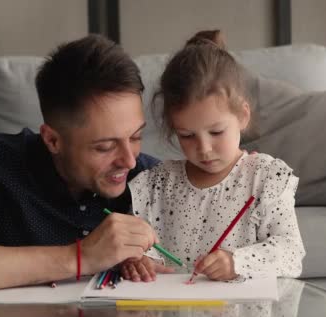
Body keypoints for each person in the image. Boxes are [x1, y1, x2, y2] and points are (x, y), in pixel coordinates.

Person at [0, 34, 169, 293]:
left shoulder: (149, 177)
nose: (129, 160)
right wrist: (79, 257)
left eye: (136, 136)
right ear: (52, 141)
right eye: (104, 147)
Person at [120, 30, 306, 282]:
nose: (204, 148)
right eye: (187, 135)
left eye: (216, 132)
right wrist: (139, 260)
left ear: (243, 115)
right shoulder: (157, 184)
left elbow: (291, 254)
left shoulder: (265, 178)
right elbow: (141, 247)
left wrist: (237, 262)